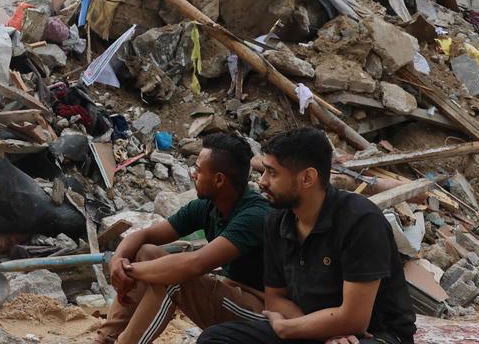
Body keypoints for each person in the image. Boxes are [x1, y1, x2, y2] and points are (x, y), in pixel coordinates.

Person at [199, 128, 415, 344]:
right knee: (215, 339)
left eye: (272, 173)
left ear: (307, 178)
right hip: (311, 326)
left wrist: (288, 329)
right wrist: (313, 330)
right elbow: (275, 299)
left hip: (375, 335)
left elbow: (354, 319)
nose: (262, 181)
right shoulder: (276, 221)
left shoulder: (360, 221)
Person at [96, 133, 272, 344]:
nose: (193, 174)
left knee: (173, 280)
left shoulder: (254, 215)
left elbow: (194, 265)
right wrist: (119, 260)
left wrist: (130, 272)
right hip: (230, 295)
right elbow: (145, 235)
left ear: (218, 179)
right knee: (145, 252)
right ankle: (103, 340)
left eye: (198, 169)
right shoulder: (209, 205)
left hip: (260, 313)